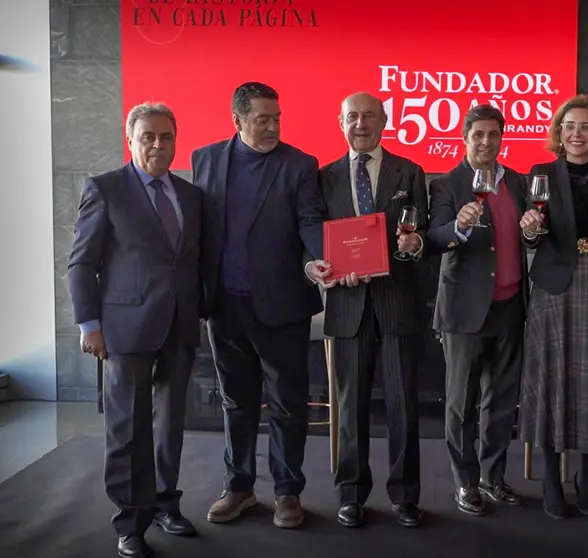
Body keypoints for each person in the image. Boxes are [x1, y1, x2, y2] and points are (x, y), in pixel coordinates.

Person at [68, 102, 202, 558]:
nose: (158, 145)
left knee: (170, 424)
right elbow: (82, 263)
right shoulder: (105, 189)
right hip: (124, 328)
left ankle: (166, 503)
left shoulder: (189, 195)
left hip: (180, 326)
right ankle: (130, 522)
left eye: (166, 137)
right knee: (127, 428)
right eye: (148, 137)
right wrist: (89, 325)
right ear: (131, 140)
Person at [191, 82, 327, 529]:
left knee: (288, 403)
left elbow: (310, 220)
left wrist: (317, 260)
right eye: (262, 119)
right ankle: (240, 487)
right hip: (224, 306)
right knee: (237, 402)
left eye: (277, 118)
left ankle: (288, 492)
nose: (272, 127)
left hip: (282, 305)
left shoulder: (300, 164)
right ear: (237, 121)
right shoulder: (205, 159)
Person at [314, 92, 430, 529]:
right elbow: (314, 239)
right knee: (350, 407)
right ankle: (351, 495)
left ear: (384, 120)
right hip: (347, 305)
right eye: (351, 117)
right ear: (340, 123)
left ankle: (405, 496)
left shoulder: (411, 172)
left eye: (368, 116)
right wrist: (326, 270)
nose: (360, 124)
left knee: (404, 405)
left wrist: (413, 244)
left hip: (398, 302)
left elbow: (419, 236)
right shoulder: (322, 178)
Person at [517, 94, 588, 519]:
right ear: (558, 133)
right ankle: (549, 478)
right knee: (552, 380)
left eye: (585, 127)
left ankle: (586, 476)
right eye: (569, 126)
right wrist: (528, 231)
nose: (576, 134)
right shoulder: (540, 173)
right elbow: (532, 235)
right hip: (554, 286)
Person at [426, 104, 530, 516]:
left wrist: (535, 231)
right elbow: (433, 238)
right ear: (465, 139)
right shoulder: (448, 184)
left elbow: (530, 236)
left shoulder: (518, 182)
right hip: (464, 310)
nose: (486, 142)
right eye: (478, 135)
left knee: (502, 402)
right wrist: (460, 227)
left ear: (502, 138)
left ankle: (493, 476)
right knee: (461, 403)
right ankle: (465, 482)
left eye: (493, 135)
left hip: (510, 306)